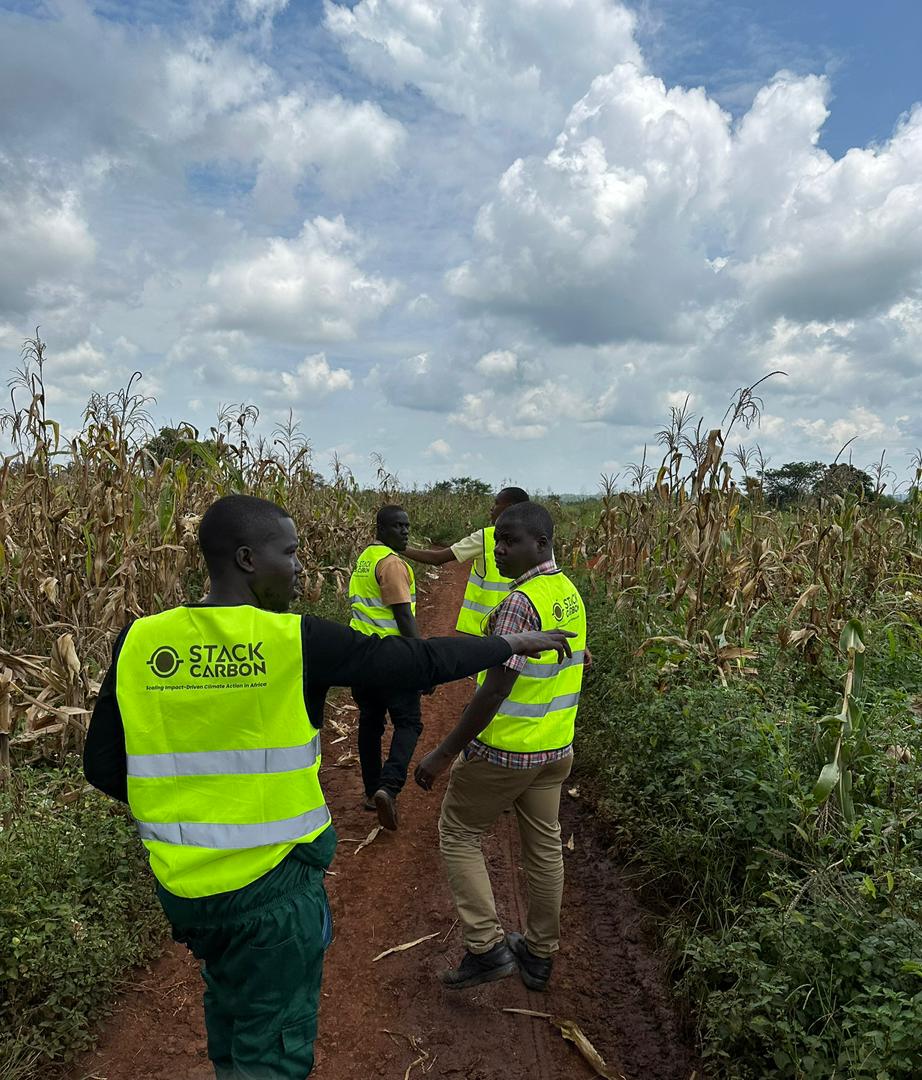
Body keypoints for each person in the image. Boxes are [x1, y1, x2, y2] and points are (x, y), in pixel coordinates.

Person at [83, 494, 575, 1080]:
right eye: (287, 553)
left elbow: (104, 766)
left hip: (185, 890)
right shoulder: (295, 641)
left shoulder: (139, 640)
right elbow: (415, 661)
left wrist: (189, 809)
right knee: (273, 1050)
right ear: (246, 558)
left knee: (231, 1013)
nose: (298, 566)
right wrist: (509, 644)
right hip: (273, 890)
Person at [414, 502, 587, 993]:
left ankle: (486, 947)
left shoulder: (518, 603)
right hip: (555, 750)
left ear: (543, 544)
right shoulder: (567, 591)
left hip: (505, 753)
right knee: (544, 849)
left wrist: (444, 752)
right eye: (498, 540)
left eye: (510, 540)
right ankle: (538, 954)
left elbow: (494, 690)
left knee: (459, 833)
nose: (500, 549)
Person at [348, 504, 423, 832]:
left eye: (407, 526)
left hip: (361, 657)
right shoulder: (391, 563)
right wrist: (422, 662)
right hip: (392, 657)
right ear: (380, 529)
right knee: (409, 722)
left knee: (370, 723)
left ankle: (369, 791)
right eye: (397, 526)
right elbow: (403, 617)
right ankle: (388, 787)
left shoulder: (365, 560)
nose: (404, 531)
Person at [403, 487, 529, 635]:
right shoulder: (537, 542)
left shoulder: (485, 537)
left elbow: (437, 558)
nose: (491, 508)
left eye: (496, 503)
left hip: (479, 632)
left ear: (509, 508)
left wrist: (399, 548)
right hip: (518, 631)